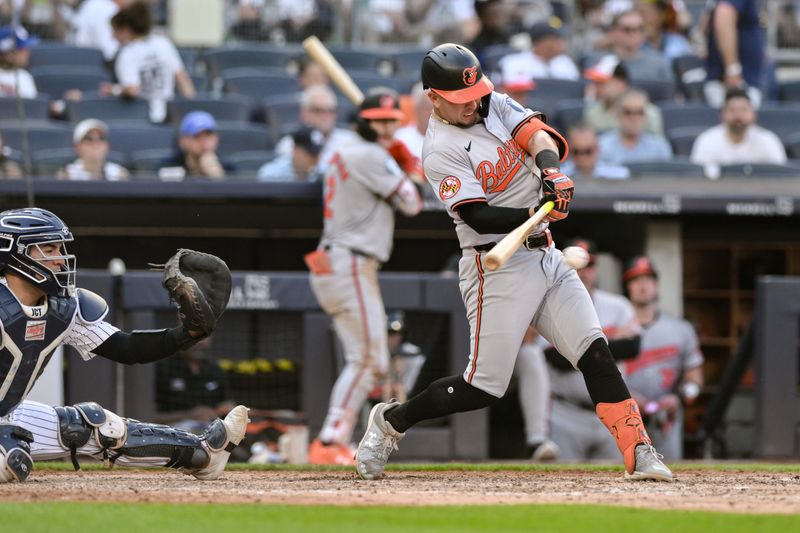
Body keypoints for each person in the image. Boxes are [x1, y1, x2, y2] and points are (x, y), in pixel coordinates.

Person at [354, 43, 673, 482]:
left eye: (476, 95)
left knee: (596, 352)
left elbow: (537, 134)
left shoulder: (491, 102)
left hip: (546, 254)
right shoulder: (439, 148)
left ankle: (639, 451)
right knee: (481, 388)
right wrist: (532, 212)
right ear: (434, 98)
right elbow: (475, 214)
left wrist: (550, 172)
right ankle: (391, 421)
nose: (473, 105)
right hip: (495, 266)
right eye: (461, 101)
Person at [0, 207, 248, 483]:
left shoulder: (63, 309)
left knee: (96, 427)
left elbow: (126, 348)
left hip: (7, 413)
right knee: (9, 455)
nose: (60, 259)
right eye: (48, 248)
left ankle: (204, 453)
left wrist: (187, 334)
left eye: (60, 248)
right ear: (15, 253)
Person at [305, 87, 423, 465]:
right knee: (369, 358)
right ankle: (329, 440)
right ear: (364, 122)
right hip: (350, 262)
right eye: (379, 122)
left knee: (366, 358)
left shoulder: (344, 149)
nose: (387, 129)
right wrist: (406, 167)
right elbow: (412, 203)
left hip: (340, 262)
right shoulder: (370, 155)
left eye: (392, 122)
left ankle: (332, 439)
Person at [540, 238, 642, 462]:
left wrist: (574, 346)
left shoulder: (617, 306)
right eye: (576, 266)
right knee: (560, 484)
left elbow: (632, 347)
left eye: (589, 265)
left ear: (596, 269)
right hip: (567, 413)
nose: (583, 272)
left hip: (611, 414)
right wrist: (609, 345)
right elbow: (554, 357)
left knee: (618, 486)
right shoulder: (547, 304)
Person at [622, 256, 704, 461]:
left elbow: (694, 376)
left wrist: (680, 397)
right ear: (627, 287)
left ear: (656, 285)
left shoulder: (680, 329)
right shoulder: (614, 329)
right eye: (636, 279)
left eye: (648, 279)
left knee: (670, 474)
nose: (643, 285)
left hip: (665, 416)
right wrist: (623, 397)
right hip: (624, 415)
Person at [106, 1, 195, 122]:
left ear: (126, 30)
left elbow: (132, 90)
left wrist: (113, 90)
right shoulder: (163, 43)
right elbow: (183, 80)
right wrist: (191, 110)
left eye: (115, 31)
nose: (113, 37)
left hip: (144, 118)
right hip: (169, 116)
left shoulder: (127, 53)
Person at [155, 336, 235, 434]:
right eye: (194, 336)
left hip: (212, 433)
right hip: (172, 435)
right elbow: (147, 416)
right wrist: (189, 415)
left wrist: (226, 410)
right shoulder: (162, 368)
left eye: (204, 337)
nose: (199, 342)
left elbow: (228, 403)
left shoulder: (215, 370)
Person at [690, 88, 786, 167]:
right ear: (722, 114)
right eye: (732, 110)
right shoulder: (707, 141)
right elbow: (695, 177)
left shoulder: (768, 140)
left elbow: (782, 176)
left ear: (754, 114)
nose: (738, 116)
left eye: (743, 110)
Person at [274, 84, 358, 175]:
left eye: (330, 110)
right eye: (317, 110)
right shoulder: (290, 144)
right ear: (304, 113)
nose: (324, 116)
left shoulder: (351, 141)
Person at [704, 0, 765, 108]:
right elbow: (723, 20)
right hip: (735, 83)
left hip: (736, 80)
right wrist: (732, 69)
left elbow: (705, 23)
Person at [587, 10, 674, 84]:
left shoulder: (658, 61)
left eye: (639, 29)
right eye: (627, 29)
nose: (634, 34)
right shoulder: (599, 61)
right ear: (613, 32)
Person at [583, 58, 664, 135]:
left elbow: (657, 146)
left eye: (601, 83)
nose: (596, 88)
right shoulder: (592, 113)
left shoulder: (648, 113)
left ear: (620, 84)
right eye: (595, 83)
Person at [597, 89, 672, 165]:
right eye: (628, 112)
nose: (634, 118)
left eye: (640, 112)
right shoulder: (602, 146)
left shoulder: (659, 146)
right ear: (617, 114)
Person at [158, 111, 237, 181]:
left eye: (208, 136)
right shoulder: (168, 166)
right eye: (197, 137)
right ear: (183, 141)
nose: (204, 142)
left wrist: (219, 178)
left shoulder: (228, 168)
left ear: (216, 139)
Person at [498, 21, 580, 83]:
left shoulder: (565, 62)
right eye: (555, 39)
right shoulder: (513, 63)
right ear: (539, 42)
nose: (561, 43)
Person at [57, 119, 130, 181]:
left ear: (107, 146)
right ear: (77, 147)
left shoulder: (119, 174)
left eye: (101, 138)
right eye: (89, 139)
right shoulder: (67, 175)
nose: (95, 144)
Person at [561, 123, 630, 180]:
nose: (582, 157)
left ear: (597, 149)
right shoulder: (559, 178)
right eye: (576, 152)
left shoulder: (618, 176)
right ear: (568, 150)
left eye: (588, 151)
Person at [257, 126, 324, 182]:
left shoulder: (323, 173)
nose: (315, 159)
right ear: (295, 150)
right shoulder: (272, 175)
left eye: (317, 154)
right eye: (311, 154)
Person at [0, 24, 37, 98]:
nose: (27, 53)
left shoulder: (24, 76)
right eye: (22, 50)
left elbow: (34, 107)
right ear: (8, 54)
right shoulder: (23, 76)